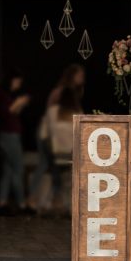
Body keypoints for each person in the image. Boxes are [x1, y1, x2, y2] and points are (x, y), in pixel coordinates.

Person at [29, 64, 85, 210]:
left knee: (54, 169)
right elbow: (51, 116)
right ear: (72, 75)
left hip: (55, 135)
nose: (82, 78)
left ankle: (51, 200)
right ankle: (35, 198)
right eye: (79, 75)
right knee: (45, 165)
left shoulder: (72, 95)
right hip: (49, 135)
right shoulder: (61, 92)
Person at [0, 68, 32, 215]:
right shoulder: (3, 95)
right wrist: (19, 102)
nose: (19, 84)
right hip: (9, 136)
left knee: (8, 170)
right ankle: (21, 204)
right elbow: (7, 113)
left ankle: (3, 203)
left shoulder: (5, 95)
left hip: (8, 135)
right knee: (17, 169)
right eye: (17, 81)